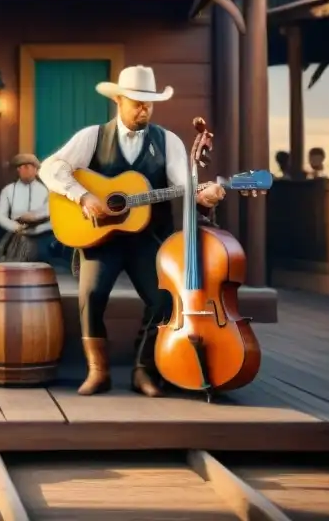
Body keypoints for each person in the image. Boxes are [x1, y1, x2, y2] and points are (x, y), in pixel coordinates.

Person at [39, 66, 225, 398]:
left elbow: (186, 187)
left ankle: (144, 370)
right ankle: (99, 372)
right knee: (91, 296)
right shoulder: (92, 136)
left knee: (165, 297)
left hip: (148, 239)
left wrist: (203, 196)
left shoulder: (167, 141)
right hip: (99, 237)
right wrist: (83, 195)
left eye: (149, 103)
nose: (144, 109)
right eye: (137, 102)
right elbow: (50, 168)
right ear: (119, 101)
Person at [0, 153, 54, 263]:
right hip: (15, 232)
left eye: (26, 167)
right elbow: (0, 215)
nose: (22, 170)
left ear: (36, 170)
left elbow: (51, 214)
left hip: (41, 235)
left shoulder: (45, 191)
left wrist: (35, 222)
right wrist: (15, 226)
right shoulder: (8, 190)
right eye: (20, 168)